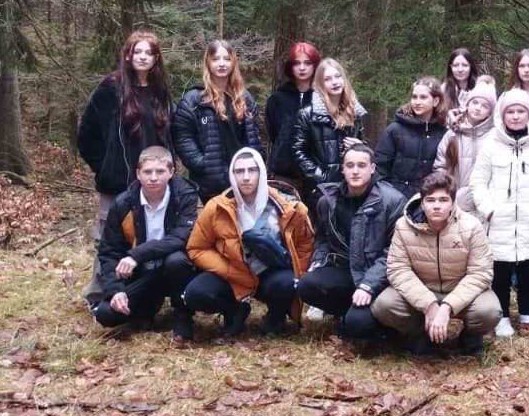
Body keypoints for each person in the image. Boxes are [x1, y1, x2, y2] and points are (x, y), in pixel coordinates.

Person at [77, 30, 175, 306]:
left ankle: (140, 295)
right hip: (117, 180)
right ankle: (98, 293)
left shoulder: (160, 91)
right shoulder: (111, 88)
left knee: (146, 235)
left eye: (149, 53)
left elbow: (168, 134)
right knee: (107, 238)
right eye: (137, 52)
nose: (142, 57)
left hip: (152, 179)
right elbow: (86, 135)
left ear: (156, 58)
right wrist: (105, 167)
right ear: (128, 55)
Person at [183, 149, 314, 338]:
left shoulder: (287, 206)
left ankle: (275, 318)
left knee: (287, 283)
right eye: (239, 171)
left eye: (252, 170)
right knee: (196, 293)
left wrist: (299, 275)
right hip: (233, 274)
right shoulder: (217, 207)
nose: (246, 177)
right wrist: (229, 270)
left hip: (271, 274)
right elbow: (197, 248)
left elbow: (304, 244)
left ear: (261, 173)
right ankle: (234, 310)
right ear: (232, 175)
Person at [371, 171, 502, 355]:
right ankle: (419, 333)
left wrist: (447, 306)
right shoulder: (403, 226)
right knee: (384, 305)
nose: (437, 206)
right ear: (422, 203)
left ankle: (470, 336)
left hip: (459, 289)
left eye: (443, 200)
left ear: (453, 203)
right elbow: (397, 269)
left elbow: (481, 273)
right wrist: (429, 304)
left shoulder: (471, 226)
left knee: (489, 311)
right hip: (422, 288)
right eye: (430, 200)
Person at [470, 89, 529, 338]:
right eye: (510, 111)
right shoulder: (491, 146)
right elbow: (478, 182)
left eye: (521, 111)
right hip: (498, 223)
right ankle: (502, 317)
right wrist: (489, 210)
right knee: (500, 273)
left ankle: (528, 314)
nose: (516, 116)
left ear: (528, 115)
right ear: (503, 115)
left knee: (528, 271)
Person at [296, 144, 404, 341]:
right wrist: (318, 262)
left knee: (357, 326)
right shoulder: (328, 201)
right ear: (343, 169)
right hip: (346, 271)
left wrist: (368, 285)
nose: (355, 171)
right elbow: (323, 239)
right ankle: (348, 312)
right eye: (350, 165)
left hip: (380, 276)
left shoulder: (392, 201)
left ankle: (374, 324)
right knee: (306, 285)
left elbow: (393, 252)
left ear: (372, 168)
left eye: (361, 165)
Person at [92, 146, 199, 341]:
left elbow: (181, 237)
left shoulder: (185, 195)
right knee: (106, 314)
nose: (153, 178)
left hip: (177, 269)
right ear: (138, 174)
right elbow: (109, 252)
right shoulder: (123, 203)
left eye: (160, 171)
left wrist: (136, 255)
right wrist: (115, 290)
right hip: (142, 273)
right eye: (148, 172)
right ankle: (146, 310)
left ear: (171, 172)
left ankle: (183, 316)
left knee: (176, 261)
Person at [172, 40, 263, 202]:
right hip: (211, 184)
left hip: (244, 179)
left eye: (226, 59)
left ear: (233, 62)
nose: (221, 64)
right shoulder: (194, 100)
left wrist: (254, 165)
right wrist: (203, 164)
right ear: (208, 62)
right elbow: (183, 138)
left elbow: (254, 136)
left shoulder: (244, 98)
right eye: (216, 59)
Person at [292, 58, 368, 214]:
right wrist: (321, 176)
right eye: (328, 79)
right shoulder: (307, 114)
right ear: (320, 84)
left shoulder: (354, 112)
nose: (334, 82)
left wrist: (360, 146)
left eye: (338, 76)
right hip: (321, 190)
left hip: (351, 186)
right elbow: (298, 152)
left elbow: (363, 147)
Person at [375, 76, 448, 202]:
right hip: (394, 199)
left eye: (423, 97)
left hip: (428, 200)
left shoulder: (443, 133)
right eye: (414, 97)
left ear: (436, 101)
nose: (417, 102)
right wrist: (389, 197)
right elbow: (380, 168)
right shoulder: (395, 130)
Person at [433, 80, 497, 219]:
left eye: (485, 106)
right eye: (475, 103)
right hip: (454, 203)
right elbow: (441, 166)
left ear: (490, 112)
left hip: (485, 206)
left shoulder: (495, 137)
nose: (478, 108)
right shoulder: (452, 134)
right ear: (467, 104)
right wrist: (447, 193)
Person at [265, 42, 321, 183]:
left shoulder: (322, 98)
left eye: (307, 63)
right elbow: (274, 134)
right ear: (290, 66)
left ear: (315, 65)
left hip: (316, 173)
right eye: (297, 63)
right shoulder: (277, 99)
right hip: (283, 173)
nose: (302, 68)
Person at [441, 48, 479, 115]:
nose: (460, 70)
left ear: (471, 67)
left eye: (465, 65)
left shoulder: (479, 88)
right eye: (455, 65)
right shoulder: (443, 89)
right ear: (451, 67)